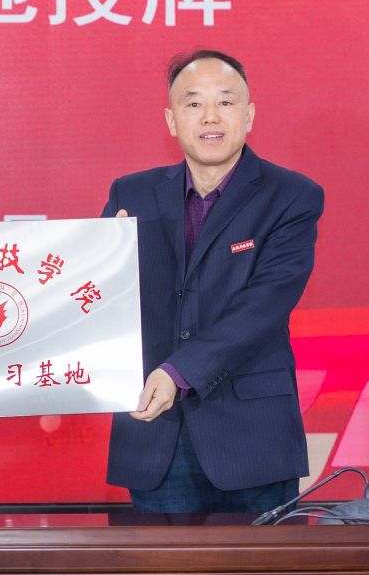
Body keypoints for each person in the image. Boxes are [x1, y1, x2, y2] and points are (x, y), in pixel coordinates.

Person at [102, 49, 325, 514]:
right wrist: (104, 261)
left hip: (252, 438)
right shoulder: (131, 194)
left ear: (249, 115)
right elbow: (95, 297)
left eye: (225, 102)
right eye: (193, 103)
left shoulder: (292, 196)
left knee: (261, 565)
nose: (210, 116)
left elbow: (264, 306)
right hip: (155, 434)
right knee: (159, 565)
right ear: (171, 120)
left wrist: (178, 372)